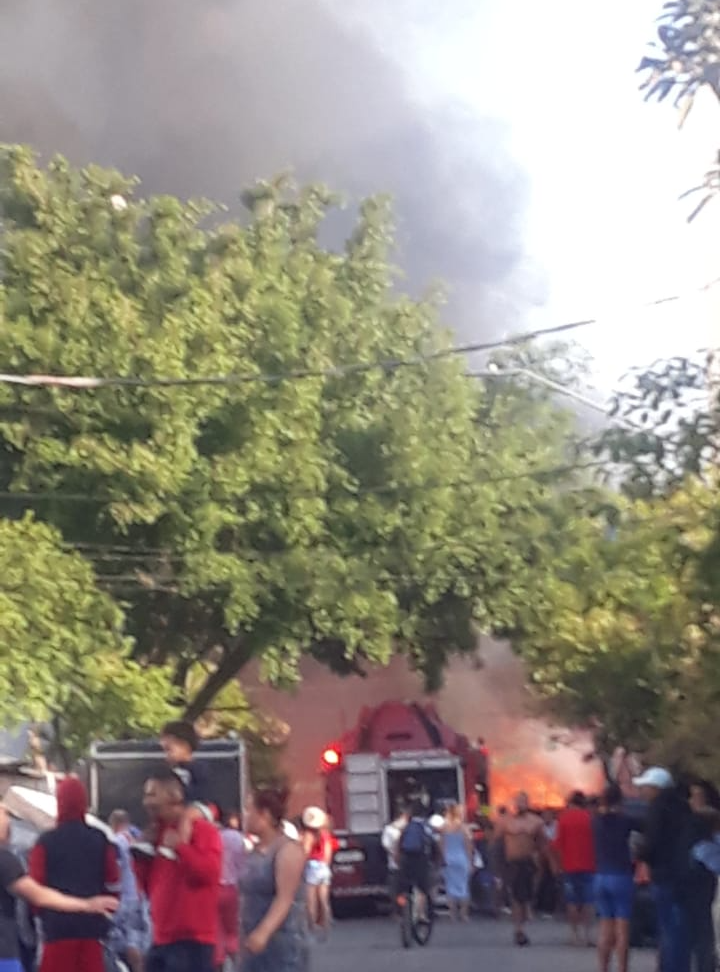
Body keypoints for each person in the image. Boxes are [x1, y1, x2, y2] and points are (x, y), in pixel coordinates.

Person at [0, 805, 117, 972]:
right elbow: (38, 895)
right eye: (4, 815)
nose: (8, 822)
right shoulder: (4, 859)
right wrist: (87, 905)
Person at [28, 777, 120, 972]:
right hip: (91, 931)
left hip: (57, 932)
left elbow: (34, 889)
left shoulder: (45, 842)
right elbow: (114, 883)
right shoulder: (100, 839)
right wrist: (106, 907)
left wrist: (40, 916)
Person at [135, 766, 222, 972]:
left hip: (192, 941)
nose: (146, 802)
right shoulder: (157, 833)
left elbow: (208, 873)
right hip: (161, 938)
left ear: (174, 796)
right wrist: (141, 857)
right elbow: (149, 887)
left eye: (152, 795)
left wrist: (181, 849)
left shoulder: (202, 830)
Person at [240, 786, 308, 971]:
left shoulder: (287, 850)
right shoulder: (253, 851)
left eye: (249, 810)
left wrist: (263, 932)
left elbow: (284, 898)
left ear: (265, 815)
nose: (244, 816)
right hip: (251, 941)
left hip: (282, 943)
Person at [635, 766, 693, 972]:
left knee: (667, 927)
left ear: (656, 788)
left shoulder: (657, 808)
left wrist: (639, 853)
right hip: (685, 875)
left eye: (646, 787)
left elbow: (652, 842)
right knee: (680, 927)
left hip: (663, 874)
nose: (642, 792)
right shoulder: (684, 808)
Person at [593, 783, 636, 972]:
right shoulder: (625, 821)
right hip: (621, 875)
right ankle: (622, 969)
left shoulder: (595, 821)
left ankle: (603, 968)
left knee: (605, 927)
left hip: (600, 875)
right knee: (622, 929)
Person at [494, 791, 546, 946]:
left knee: (525, 897)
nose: (520, 804)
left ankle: (523, 923)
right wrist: (498, 866)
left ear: (528, 803)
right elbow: (496, 842)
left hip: (528, 862)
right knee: (517, 897)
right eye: (518, 801)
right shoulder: (506, 822)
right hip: (513, 863)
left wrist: (540, 861)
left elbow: (542, 843)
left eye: (523, 801)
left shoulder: (536, 822)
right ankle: (519, 930)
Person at [159, 720, 211, 853]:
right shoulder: (171, 770)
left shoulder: (198, 768)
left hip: (200, 804)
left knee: (186, 817)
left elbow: (202, 790)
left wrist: (185, 798)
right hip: (184, 803)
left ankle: (182, 845)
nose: (166, 755)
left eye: (169, 750)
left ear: (185, 746)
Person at [108, 809, 148, 972]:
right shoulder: (139, 838)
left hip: (124, 899)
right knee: (137, 942)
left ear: (115, 825)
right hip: (141, 897)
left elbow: (114, 872)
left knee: (122, 947)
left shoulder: (118, 842)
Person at [554, 790, 596, 946]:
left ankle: (574, 935)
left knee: (572, 901)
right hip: (589, 866)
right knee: (588, 901)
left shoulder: (563, 819)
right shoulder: (590, 819)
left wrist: (557, 865)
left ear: (571, 803)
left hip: (569, 866)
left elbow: (558, 844)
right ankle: (588, 935)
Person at [686, 809, 720, 972]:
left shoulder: (695, 846)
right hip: (709, 897)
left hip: (699, 897)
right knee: (708, 938)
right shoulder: (706, 848)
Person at [216, 808, 247, 972]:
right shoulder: (238, 838)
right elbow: (243, 866)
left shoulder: (214, 837)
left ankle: (219, 964)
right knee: (233, 931)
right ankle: (239, 965)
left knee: (217, 931)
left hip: (215, 889)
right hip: (232, 888)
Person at [397, 800, 435, 920]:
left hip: (406, 859)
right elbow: (433, 842)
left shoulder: (407, 826)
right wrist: (437, 858)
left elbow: (399, 843)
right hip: (420, 858)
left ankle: (403, 908)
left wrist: (398, 859)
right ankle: (420, 915)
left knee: (405, 886)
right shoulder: (425, 825)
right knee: (422, 888)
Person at [301, 807, 332, 940]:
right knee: (323, 900)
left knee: (311, 900)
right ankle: (326, 927)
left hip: (312, 866)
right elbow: (328, 854)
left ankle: (312, 928)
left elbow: (305, 852)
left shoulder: (309, 835)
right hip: (324, 867)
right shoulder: (325, 834)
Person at [442, 803, 472, 922]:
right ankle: (464, 914)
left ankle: (452, 914)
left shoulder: (445, 827)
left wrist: (443, 858)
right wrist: (470, 861)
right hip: (461, 858)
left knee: (450, 887)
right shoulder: (464, 828)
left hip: (448, 859)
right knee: (463, 886)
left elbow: (442, 845)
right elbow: (468, 846)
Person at [382, 805, 409, 905]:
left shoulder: (388, 829)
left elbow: (386, 845)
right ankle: (402, 907)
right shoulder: (405, 829)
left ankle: (399, 909)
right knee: (401, 888)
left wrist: (393, 853)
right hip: (404, 862)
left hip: (394, 863)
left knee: (396, 888)